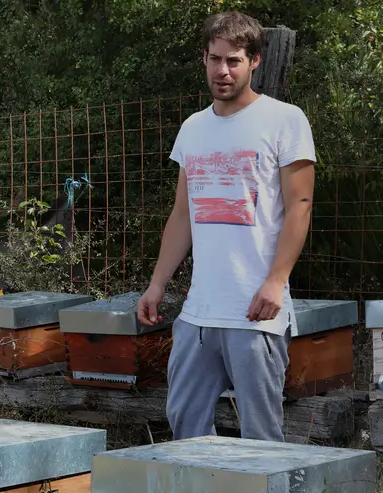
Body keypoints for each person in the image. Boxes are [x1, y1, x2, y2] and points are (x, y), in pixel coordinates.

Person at [136, 11, 316, 442]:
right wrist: (157, 283)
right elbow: (184, 215)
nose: (223, 70)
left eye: (234, 60)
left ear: (254, 61)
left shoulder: (284, 120)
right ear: (204, 58)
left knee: (261, 439)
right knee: (185, 428)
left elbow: (301, 205)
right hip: (199, 314)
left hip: (255, 313)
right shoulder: (192, 128)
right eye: (215, 59)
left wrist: (276, 282)